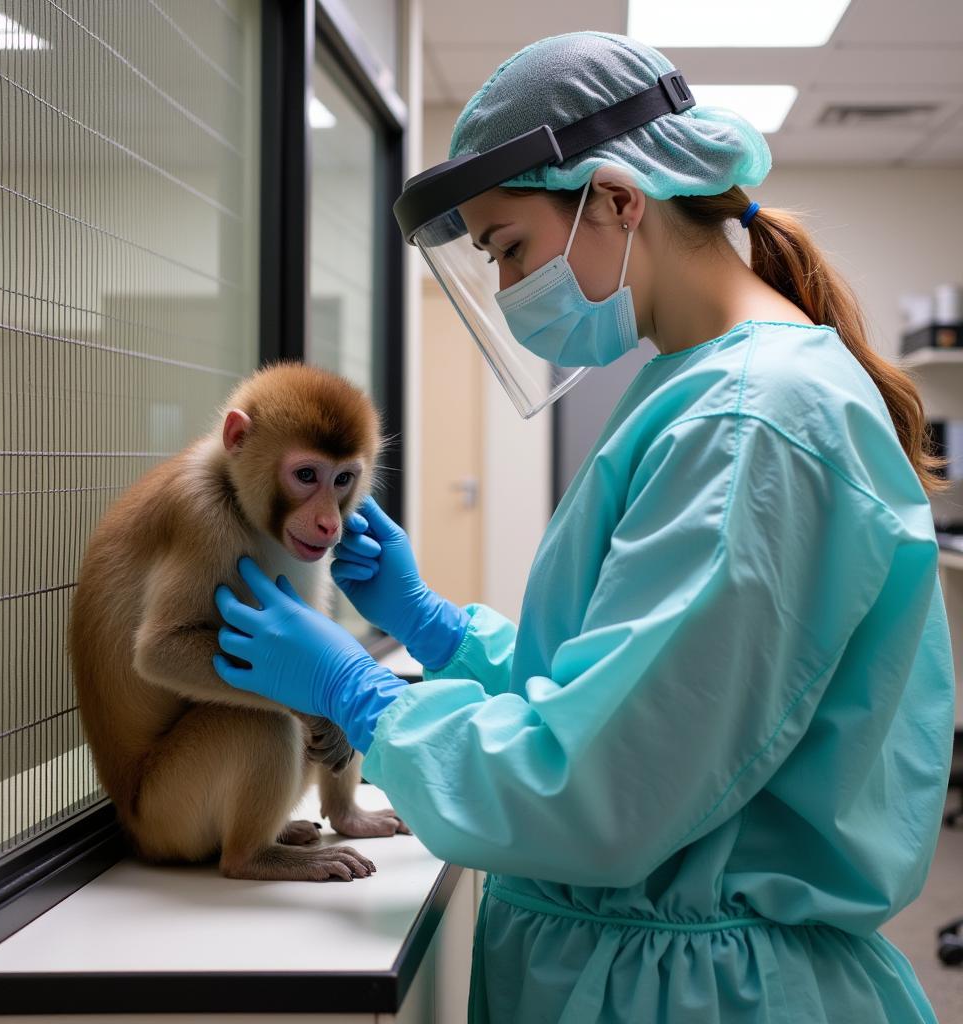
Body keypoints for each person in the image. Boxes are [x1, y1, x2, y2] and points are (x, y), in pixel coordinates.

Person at [213, 32, 955, 1024]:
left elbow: (602, 788)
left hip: (698, 995)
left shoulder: (750, 423)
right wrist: (441, 632)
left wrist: (364, 699)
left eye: (508, 247)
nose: (511, 289)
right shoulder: (699, 387)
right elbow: (625, 689)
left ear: (614, 198)